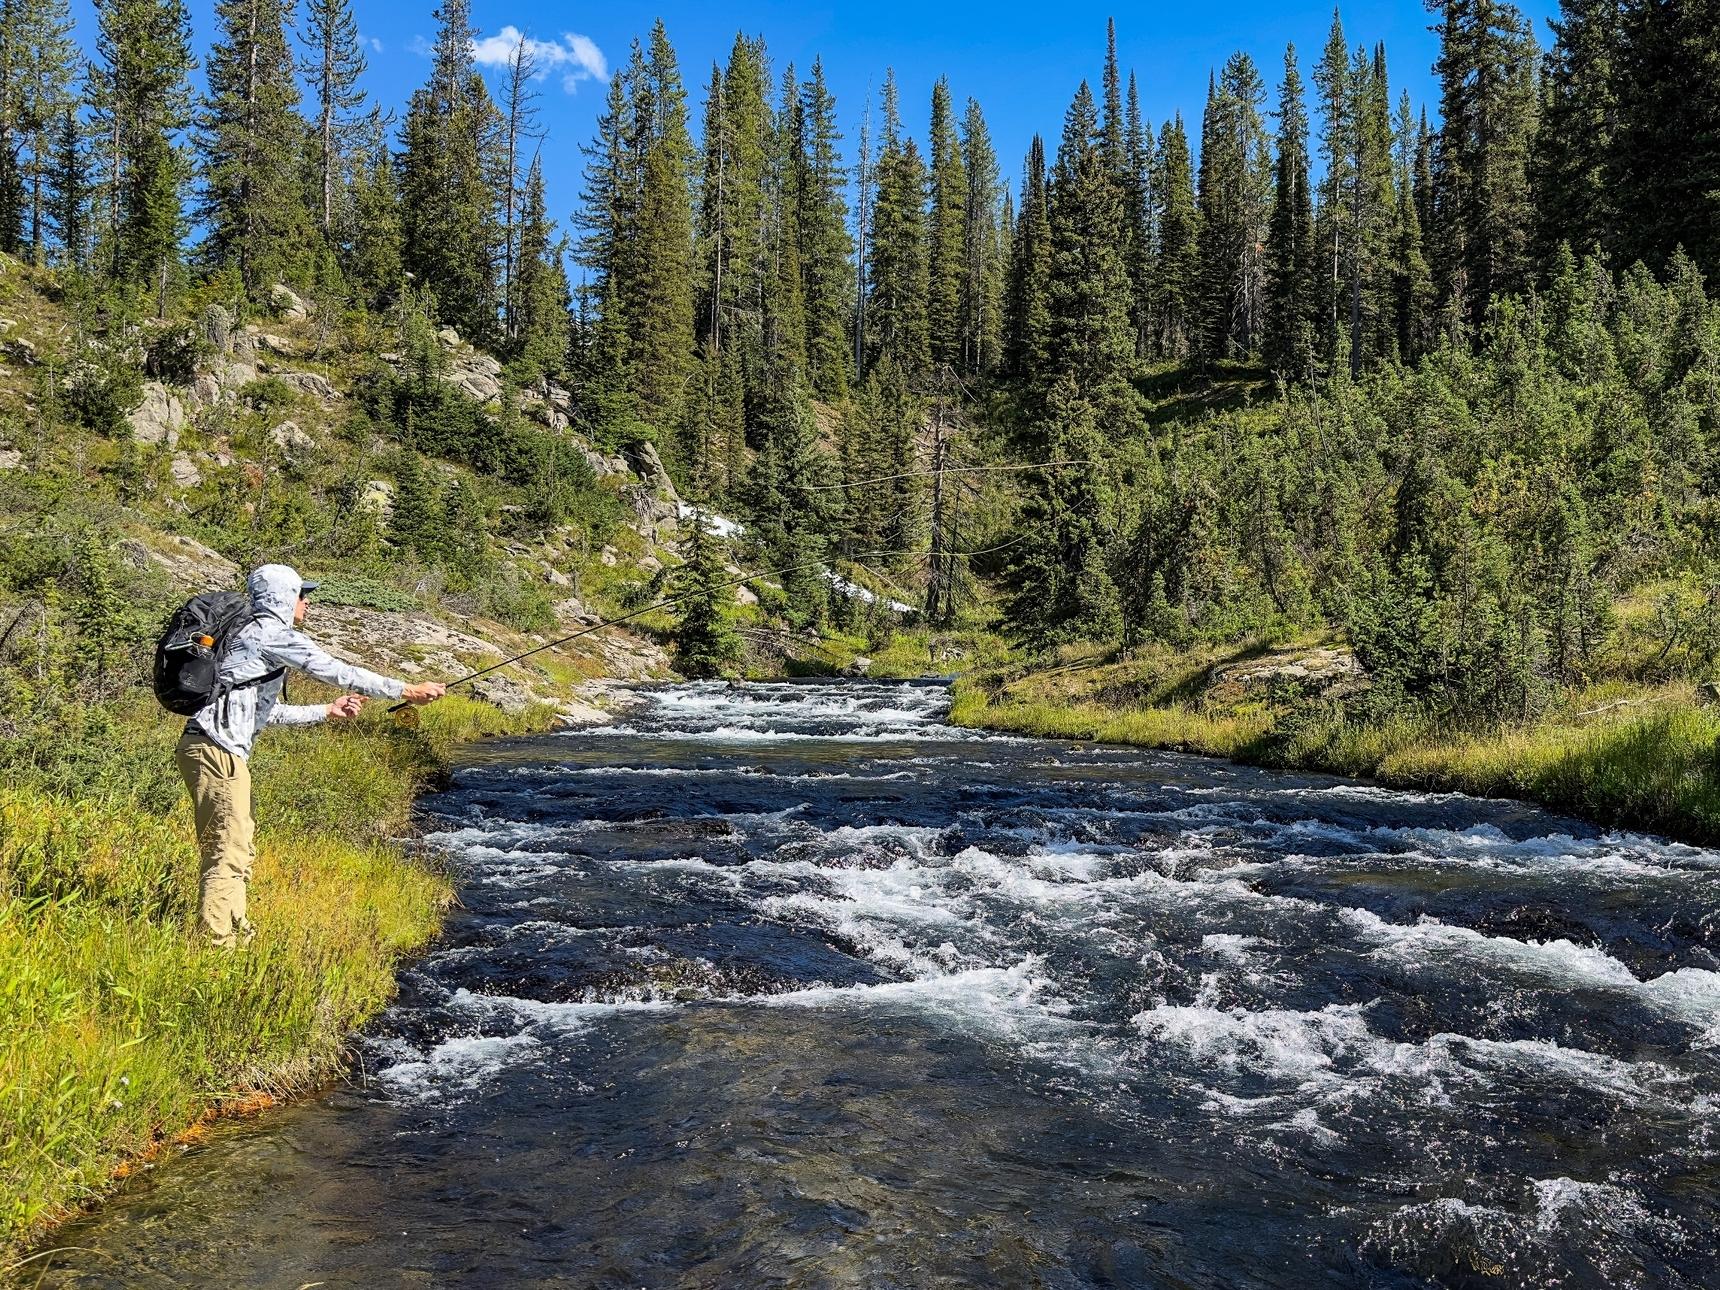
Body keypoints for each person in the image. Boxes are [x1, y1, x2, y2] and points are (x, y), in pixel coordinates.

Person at [175, 564, 445, 947]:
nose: (306, 604)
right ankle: (216, 946)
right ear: (283, 597)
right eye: (302, 595)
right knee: (227, 852)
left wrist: (327, 712)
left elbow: (266, 714)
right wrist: (407, 689)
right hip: (215, 751)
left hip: (216, 750)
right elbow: (333, 669)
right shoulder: (270, 632)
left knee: (239, 846)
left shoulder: (254, 635)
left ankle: (236, 930)